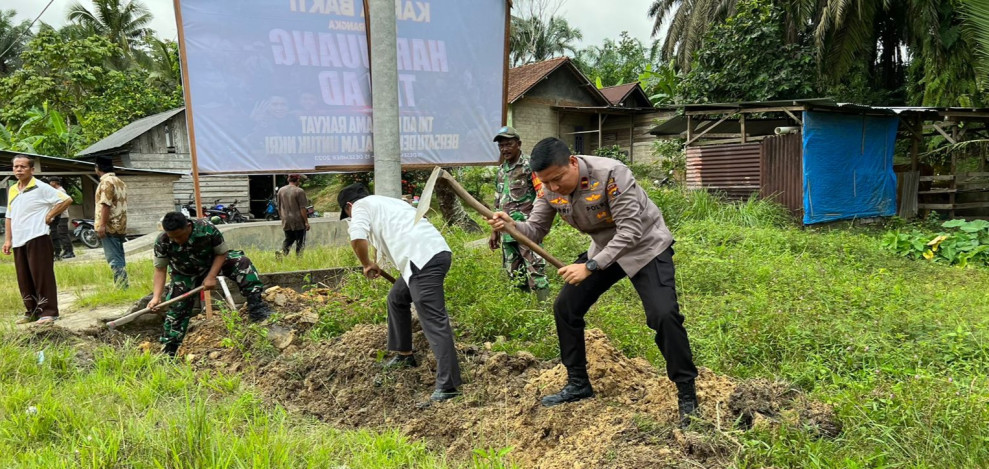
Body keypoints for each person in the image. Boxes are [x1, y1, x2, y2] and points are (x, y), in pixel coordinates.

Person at [486, 137, 700, 428]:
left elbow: (631, 231)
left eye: (558, 179)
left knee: (664, 315)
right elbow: (535, 230)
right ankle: (578, 383)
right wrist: (511, 224)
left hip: (646, 247)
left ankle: (687, 394)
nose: (554, 188)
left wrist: (589, 266)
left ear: (572, 163)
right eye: (546, 183)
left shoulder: (612, 173)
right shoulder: (549, 188)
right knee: (566, 308)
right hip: (603, 250)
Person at [338, 183, 462, 403]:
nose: (350, 216)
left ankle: (449, 385)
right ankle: (404, 354)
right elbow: (389, 235)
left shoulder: (360, 207)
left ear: (349, 206)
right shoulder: (388, 203)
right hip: (429, 255)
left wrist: (366, 264)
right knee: (397, 298)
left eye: (347, 214)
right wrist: (376, 261)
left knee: (434, 321)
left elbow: (357, 237)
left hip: (422, 260)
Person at [148, 212, 275, 357]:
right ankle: (169, 352)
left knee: (242, 262)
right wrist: (156, 297)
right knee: (177, 310)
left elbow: (222, 253)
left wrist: (211, 276)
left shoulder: (206, 229)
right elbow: (160, 269)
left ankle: (256, 307)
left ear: (188, 226)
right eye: (173, 237)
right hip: (185, 274)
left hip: (213, 263)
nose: (177, 240)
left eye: (179, 236)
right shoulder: (163, 241)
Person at [3, 155, 73, 324]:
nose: (19, 169)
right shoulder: (13, 189)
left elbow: (66, 199)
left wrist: (50, 214)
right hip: (19, 239)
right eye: (16, 167)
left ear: (32, 170)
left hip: (37, 236)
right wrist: (7, 240)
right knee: (24, 277)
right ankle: (31, 311)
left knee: (42, 275)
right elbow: (9, 215)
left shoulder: (41, 187)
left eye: (23, 167)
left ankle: (48, 312)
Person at [489, 126, 549, 301]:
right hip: (506, 231)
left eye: (508, 144)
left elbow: (542, 196)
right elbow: (498, 202)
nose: (504, 149)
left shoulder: (531, 166)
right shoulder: (501, 170)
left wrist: (537, 224)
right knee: (514, 273)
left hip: (526, 230)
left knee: (535, 270)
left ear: (519, 144)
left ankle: (543, 312)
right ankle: (522, 311)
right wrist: (494, 230)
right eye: (501, 146)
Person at [94, 156, 129, 288]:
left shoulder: (106, 183)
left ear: (97, 168)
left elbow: (105, 205)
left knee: (114, 259)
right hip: (121, 224)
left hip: (110, 226)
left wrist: (102, 225)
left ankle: (121, 286)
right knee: (119, 257)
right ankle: (123, 285)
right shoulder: (120, 182)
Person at [277, 174, 310, 256]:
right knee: (300, 241)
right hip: (298, 220)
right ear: (298, 180)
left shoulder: (281, 190)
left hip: (286, 220)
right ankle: (299, 259)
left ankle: (281, 253)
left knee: (288, 239)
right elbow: (302, 208)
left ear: (289, 180)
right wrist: (306, 222)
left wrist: (282, 218)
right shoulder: (299, 191)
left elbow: (279, 207)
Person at [46, 177, 75, 260]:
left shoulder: (60, 191)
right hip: (59, 216)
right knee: (60, 233)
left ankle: (69, 251)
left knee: (63, 233)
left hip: (62, 216)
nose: (50, 184)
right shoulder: (58, 190)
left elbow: (62, 204)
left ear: (54, 183)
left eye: (50, 182)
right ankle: (66, 251)